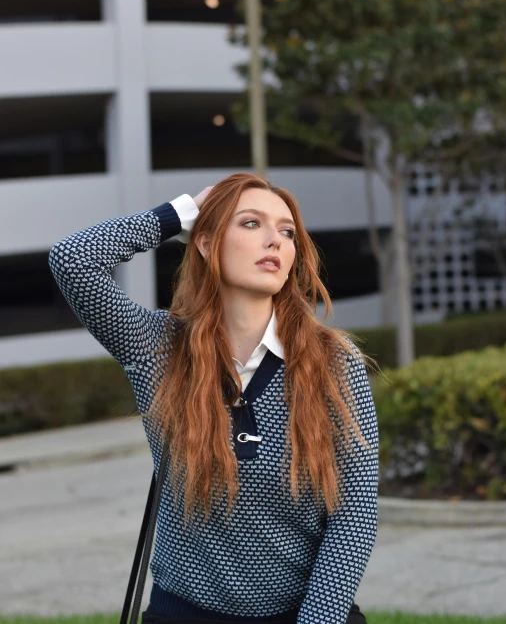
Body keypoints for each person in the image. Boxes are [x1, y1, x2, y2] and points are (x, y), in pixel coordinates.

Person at [49, 172, 380, 624]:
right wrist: (180, 213)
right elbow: (73, 261)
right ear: (204, 244)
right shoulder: (159, 347)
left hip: (304, 613)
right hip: (184, 611)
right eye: (251, 224)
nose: (275, 241)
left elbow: (354, 515)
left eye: (287, 232)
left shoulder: (334, 362)